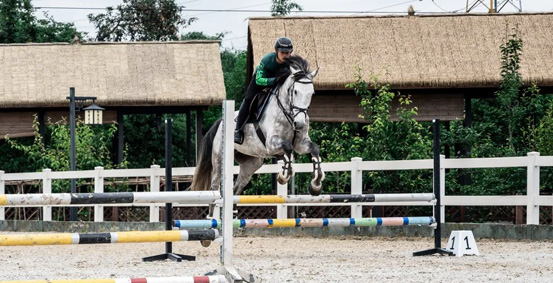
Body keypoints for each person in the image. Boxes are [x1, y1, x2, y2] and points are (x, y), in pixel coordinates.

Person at [234, 36, 294, 144]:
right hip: (259, 82)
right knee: (248, 99)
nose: (286, 55)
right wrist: (274, 80)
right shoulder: (267, 60)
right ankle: (238, 130)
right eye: (283, 52)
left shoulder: (291, 63)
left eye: (288, 53)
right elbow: (259, 80)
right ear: (276, 51)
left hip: (277, 84)